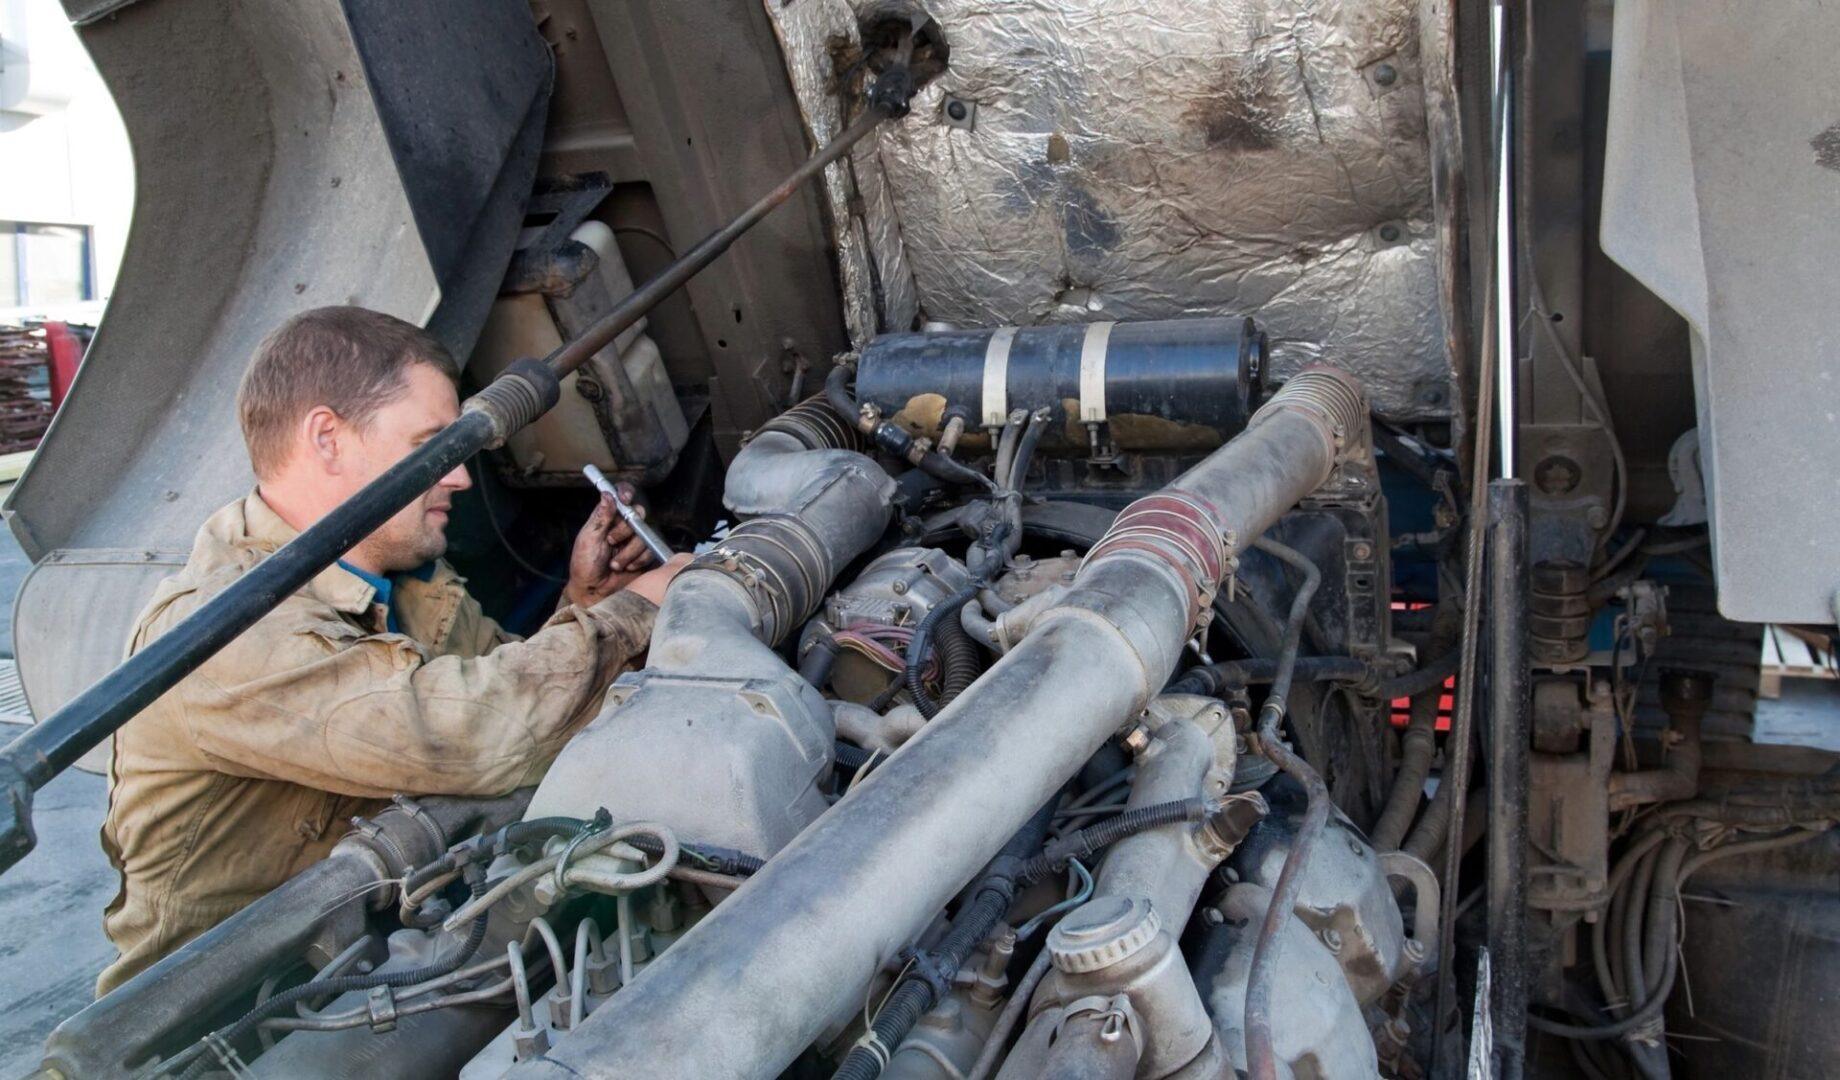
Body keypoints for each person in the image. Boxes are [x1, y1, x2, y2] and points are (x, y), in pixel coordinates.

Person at [95, 306, 688, 994]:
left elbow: (502, 687)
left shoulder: (404, 580)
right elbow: (477, 734)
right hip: (235, 1023)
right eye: (431, 443)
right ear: (328, 439)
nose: (462, 477)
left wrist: (582, 604)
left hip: (390, 953)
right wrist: (633, 611)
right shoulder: (219, 632)